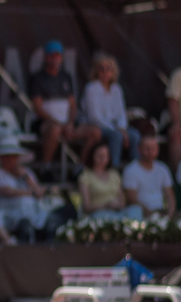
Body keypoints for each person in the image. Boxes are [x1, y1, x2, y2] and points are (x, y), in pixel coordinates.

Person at [27, 40, 95, 170]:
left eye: (57, 55)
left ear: (62, 57)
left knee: (95, 132)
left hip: (66, 124)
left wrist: (69, 124)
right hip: (45, 123)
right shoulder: (37, 78)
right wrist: (58, 123)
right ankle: (46, 168)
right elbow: (37, 107)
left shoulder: (66, 77)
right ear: (45, 57)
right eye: (51, 55)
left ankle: (80, 168)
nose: (54, 59)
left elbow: (73, 105)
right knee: (55, 130)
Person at [0, 138, 49, 244]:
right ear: (1, 158)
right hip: (6, 212)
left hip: (30, 213)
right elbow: (5, 191)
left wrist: (25, 177)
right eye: (7, 157)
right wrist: (29, 193)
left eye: (13, 157)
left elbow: (39, 192)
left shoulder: (26, 172)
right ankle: (8, 242)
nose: (11, 160)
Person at [80, 51, 130, 171]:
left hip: (115, 127)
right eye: (101, 69)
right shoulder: (91, 88)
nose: (105, 72)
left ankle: (134, 172)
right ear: (96, 71)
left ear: (114, 71)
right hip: (96, 126)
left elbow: (121, 113)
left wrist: (122, 128)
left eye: (108, 69)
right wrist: (117, 130)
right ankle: (114, 171)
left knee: (134, 136)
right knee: (116, 136)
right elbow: (94, 117)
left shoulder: (117, 89)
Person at [121, 133, 176, 220]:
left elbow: (169, 195)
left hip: (161, 211)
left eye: (153, 148)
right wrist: (151, 214)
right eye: (147, 148)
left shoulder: (163, 169)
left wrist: (170, 214)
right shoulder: (130, 170)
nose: (150, 152)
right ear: (139, 149)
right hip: (140, 214)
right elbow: (132, 199)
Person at [76, 142, 135, 221]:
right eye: (99, 156)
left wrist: (115, 206)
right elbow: (86, 207)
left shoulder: (115, 175)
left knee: (135, 210)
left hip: (116, 213)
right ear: (92, 156)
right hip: (98, 215)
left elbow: (122, 202)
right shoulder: (85, 176)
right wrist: (105, 206)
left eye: (105, 156)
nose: (102, 159)